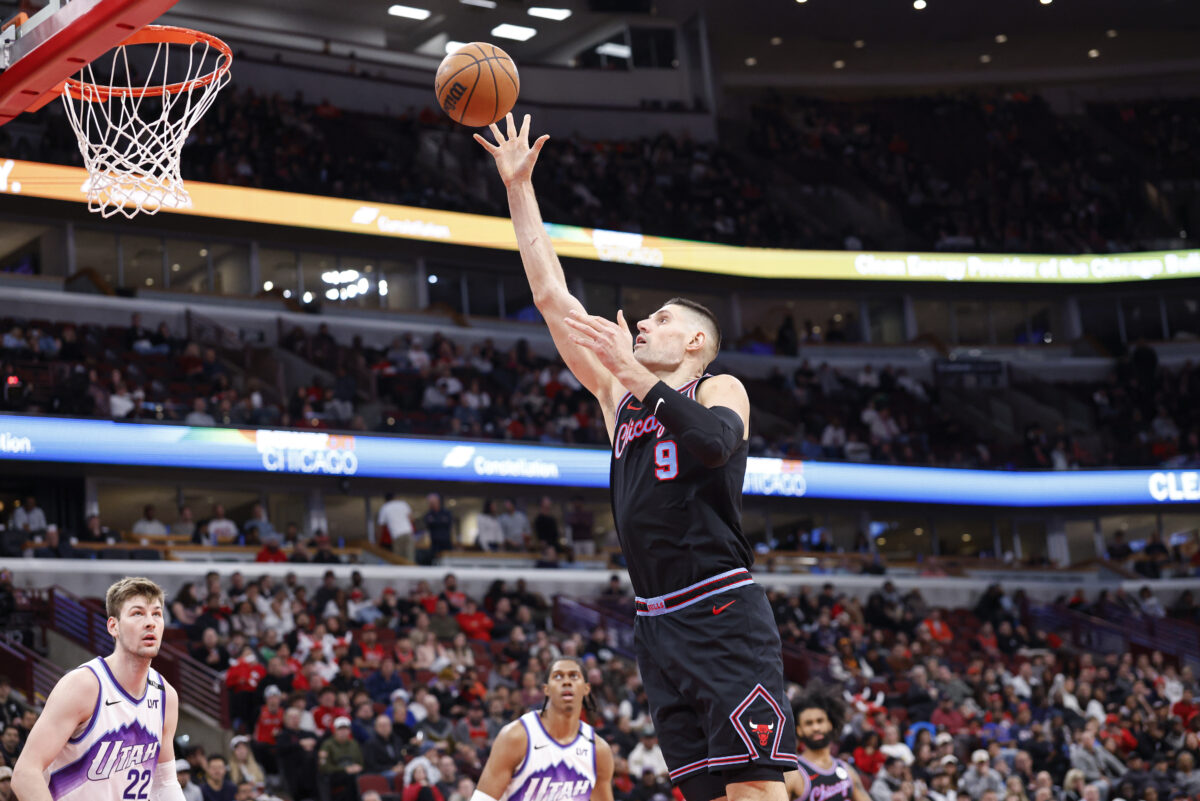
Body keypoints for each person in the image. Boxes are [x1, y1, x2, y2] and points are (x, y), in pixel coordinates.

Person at [477, 113, 795, 801]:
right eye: (644, 320)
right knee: (705, 794)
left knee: (755, 791)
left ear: (695, 343)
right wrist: (518, 188)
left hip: (720, 607)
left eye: (662, 320)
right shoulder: (616, 395)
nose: (644, 323)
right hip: (654, 623)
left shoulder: (720, 387)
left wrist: (632, 372)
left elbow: (713, 445)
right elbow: (551, 298)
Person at [12, 577, 183, 801]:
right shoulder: (83, 686)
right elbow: (25, 773)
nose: (150, 622)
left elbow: (164, 783)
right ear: (113, 626)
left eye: (157, 614)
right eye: (138, 613)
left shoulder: (165, 695)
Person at [473, 657, 613, 801]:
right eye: (558, 676)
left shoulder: (598, 750)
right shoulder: (517, 736)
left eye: (574, 676)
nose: (566, 682)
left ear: (586, 689)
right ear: (546, 689)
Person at [783, 692, 870, 801]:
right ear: (799, 730)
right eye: (809, 723)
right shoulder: (792, 773)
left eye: (820, 721)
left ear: (830, 724)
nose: (816, 728)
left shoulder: (847, 770)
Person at [378, 492, 415, 563]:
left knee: (398, 560)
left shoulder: (385, 507)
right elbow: (412, 519)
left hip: (397, 535)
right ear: (394, 498)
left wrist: (378, 542)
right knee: (410, 558)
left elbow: (381, 526)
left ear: (385, 500)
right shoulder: (403, 504)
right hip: (408, 533)